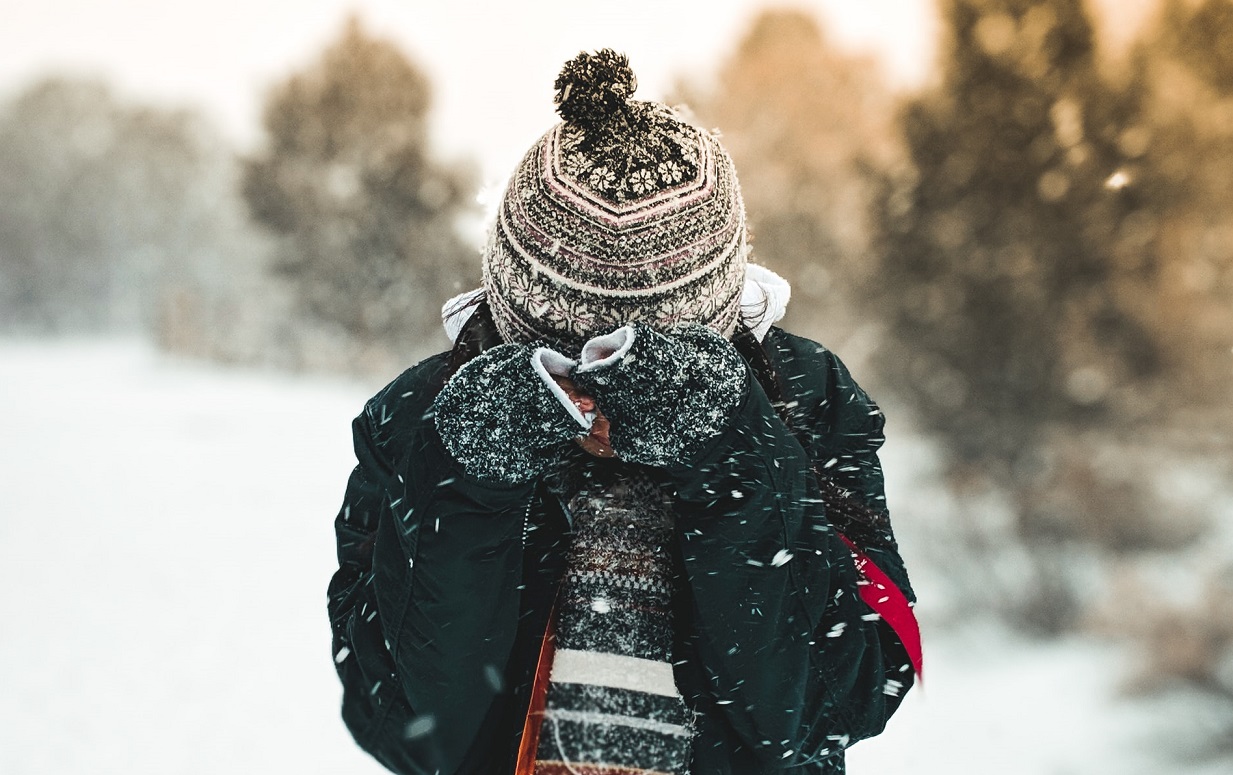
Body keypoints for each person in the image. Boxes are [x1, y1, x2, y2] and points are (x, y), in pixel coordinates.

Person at [327, 49, 921, 775]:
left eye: (632, 370)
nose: (596, 410)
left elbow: (844, 701)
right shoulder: (428, 418)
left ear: (705, 336)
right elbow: (407, 730)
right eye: (564, 368)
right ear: (512, 326)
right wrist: (468, 479)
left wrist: (730, 450)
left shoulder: (800, 400)